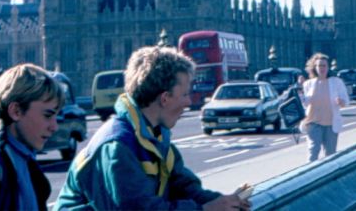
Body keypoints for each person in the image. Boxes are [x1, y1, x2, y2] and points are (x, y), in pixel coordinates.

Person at [56, 46, 250, 210]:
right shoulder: (117, 146)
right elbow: (137, 208)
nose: (189, 102)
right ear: (164, 98)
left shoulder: (154, 135)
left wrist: (224, 202)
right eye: (184, 94)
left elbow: (184, 186)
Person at [0, 63, 64, 211]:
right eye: (47, 115)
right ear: (16, 111)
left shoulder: (21, 158)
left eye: (56, 116)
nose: (54, 126)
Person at [300, 53, 349, 162]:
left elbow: (346, 101)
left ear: (328, 67)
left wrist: (341, 102)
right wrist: (300, 92)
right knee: (313, 153)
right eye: (319, 66)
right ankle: (310, 177)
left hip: (331, 125)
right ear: (315, 67)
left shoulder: (336, 82)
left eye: (324, 66)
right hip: (313, 123)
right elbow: (305, 103)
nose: (322, 68)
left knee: (330, 155)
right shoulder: (308, 84)